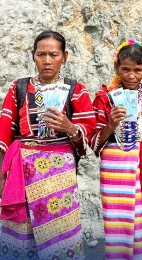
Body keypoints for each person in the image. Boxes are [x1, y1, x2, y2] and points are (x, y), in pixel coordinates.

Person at [0, 30, 96, 259]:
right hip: (22, 173)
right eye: (41, 54)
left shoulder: (76, 90)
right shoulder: (18, 88)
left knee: (60, 237)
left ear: (65, 56)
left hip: (59, 178)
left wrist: (69, 127)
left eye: (53, 54)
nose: (47, 60)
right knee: (23, 238)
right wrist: (1, 175)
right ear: (33, 56)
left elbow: (88, 136)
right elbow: (3, 135)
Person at [91, 39, 142, 260]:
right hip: (114, 171)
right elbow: (94, 142)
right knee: (118, 224)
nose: (132, 75)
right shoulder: (104, 98)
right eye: (125, 69)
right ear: (116, 67)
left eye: (138, 69)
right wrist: (112, 124)